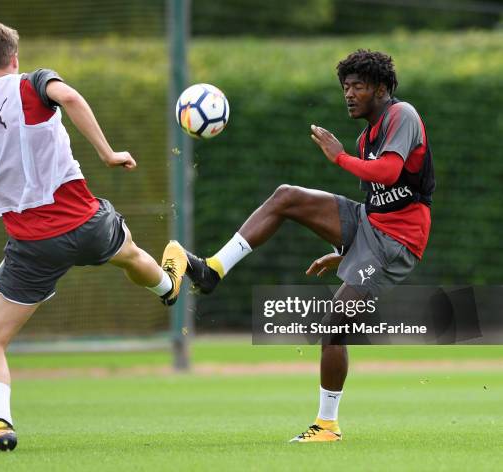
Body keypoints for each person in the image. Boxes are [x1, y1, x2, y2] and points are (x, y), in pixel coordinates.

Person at [0, 19, 187, 452]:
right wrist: (108, 153)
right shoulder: (33, 83)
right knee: (131, 252)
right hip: (87, 224)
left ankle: (1, 423)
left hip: (33, 246)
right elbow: (71, 96)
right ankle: (169, 287)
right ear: (15, 58)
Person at [183, 49, 435, 442]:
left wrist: (339, 158)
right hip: (370, 226)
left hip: (396, 242)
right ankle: (213, 268)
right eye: (345, 87)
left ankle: (327, 426)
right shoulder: (367, 134)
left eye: (359, 86)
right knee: (287, 196)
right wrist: (346, 251)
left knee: (335, 324)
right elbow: (378, 199)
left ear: (382, 89)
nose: (349, 94)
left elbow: (389, 172)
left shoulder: (402, 116)